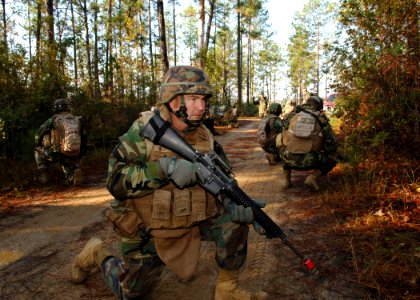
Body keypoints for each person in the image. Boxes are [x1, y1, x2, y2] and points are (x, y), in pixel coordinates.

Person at [71, 66, 268, 300]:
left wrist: (235, 203)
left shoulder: (205, 136)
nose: (202, 106)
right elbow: (115, 182)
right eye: (194, 98)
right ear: (172, 100)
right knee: (130, 293)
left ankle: (227, 289)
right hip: (148, 228)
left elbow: (223, 179)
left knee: (234, 221)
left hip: (191, 219)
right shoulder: (144, 131)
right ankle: (96, 253)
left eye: (204, 99)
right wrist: (163, 169)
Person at [277, 95, 338, 191]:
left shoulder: (292, 116)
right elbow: (331, 144)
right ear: (319, 106)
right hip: (310, 160)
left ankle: (286, 181)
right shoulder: (321, 119)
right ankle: (312, 178)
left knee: (285, 149)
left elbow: (281, 135)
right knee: (333, 158)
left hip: (288, 158)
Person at [34, 98, 86, 186]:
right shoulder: (78, 120)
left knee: (37, 151)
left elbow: (39, 134)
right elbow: (84, 139)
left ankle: (43, 174)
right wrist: (80, 155)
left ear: (56, 108)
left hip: (56, 152)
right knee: (68, 161)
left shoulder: (53, 120)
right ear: (68, 107)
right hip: (74, 152)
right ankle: (73, 173)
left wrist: (38, 144)